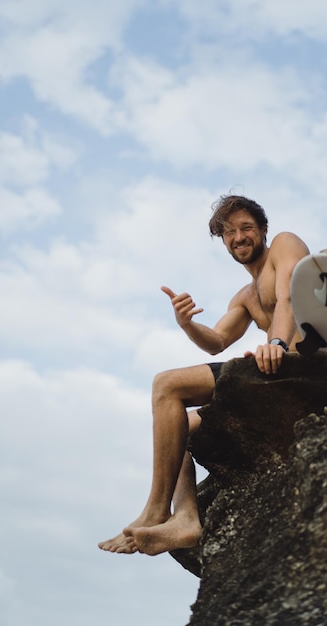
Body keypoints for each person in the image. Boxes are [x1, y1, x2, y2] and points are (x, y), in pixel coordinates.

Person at [98, 195, 309, 556]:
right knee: (176, 428)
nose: (238, 237)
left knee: (167, 384)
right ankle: (185, 518)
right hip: (271, 377)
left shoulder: (284, 246)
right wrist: (187, 324)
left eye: (245, 228)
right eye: (228, 233)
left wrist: (276, 341)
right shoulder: (244, 296)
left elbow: (289, 297)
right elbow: (216, 342)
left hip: (303, 367)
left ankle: (154, 510)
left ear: (263, 230)